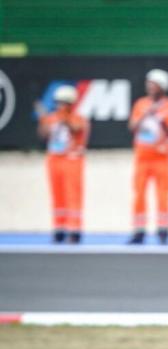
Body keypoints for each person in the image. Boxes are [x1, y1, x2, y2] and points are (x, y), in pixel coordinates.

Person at [127, 69, 168, 245]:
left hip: (161, 158)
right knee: (139, 194)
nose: (150, 87)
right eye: (149, 83)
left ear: (162, 87)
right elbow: (132, 127)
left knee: (163, 194)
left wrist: (160, 118)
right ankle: (139, 231)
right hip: (142, 157)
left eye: (154, 84)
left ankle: (163, 231)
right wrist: (146, 113)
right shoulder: (141, 104)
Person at [36, 85, 90, 244]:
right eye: (57, 102)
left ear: (70, 103)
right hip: (54, 159)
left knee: (73, 194)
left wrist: (63, 118)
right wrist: (43, 119)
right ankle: (59, 228)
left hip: (72, 159)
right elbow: (43, 135)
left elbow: (76, 129)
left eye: (63, 102)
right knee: (57, 194)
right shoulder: (52, 117)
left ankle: (74, 230)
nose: (59, 106)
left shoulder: (78, 117)